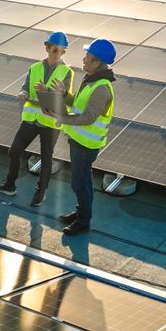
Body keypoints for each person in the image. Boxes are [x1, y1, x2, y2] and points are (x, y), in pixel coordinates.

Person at [0, 31, 74, 207]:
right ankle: (9, 184)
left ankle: (40, 192)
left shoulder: (66, 72)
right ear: (46, 48)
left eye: (62, 51)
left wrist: (46, 91)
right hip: (31, 119)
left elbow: (63, 98)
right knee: (14, 151)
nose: (58, 53)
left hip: (50, 122)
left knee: (46, 158)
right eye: (55, 50)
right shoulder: (34, 68)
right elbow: (25, 87)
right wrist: (22, 93)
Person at [48, 38, 117, 236]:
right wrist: (64, 95)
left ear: (97, 62)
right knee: (81, 181)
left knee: (80, 183)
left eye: (88, 56)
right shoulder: (91, 81)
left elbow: (87, 117)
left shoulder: (102, 87)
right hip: (79, 141)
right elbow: (77, 105)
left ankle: (83, 222)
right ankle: (81, 213)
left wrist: (62, 118)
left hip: (86, 145)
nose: (84, 59)